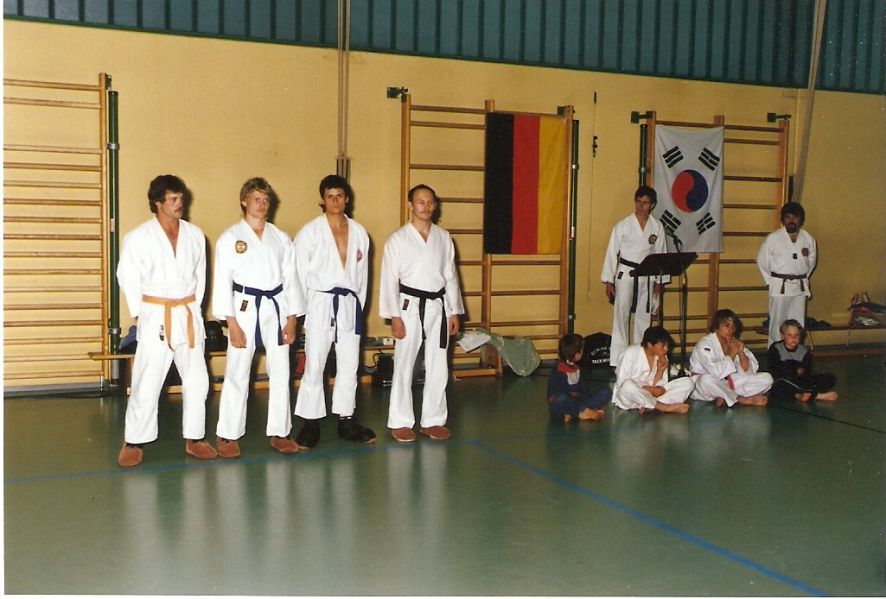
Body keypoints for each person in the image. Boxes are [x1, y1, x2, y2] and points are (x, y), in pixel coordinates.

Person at [115, 175, 216, 467]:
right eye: (172, 199)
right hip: (156, 313)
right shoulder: (138, 237)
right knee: (147, 379)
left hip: (187, 312)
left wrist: (194, 308)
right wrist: (142, 312)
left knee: (197, 379)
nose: (179, 203)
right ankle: (133, 440)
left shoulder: (195, 235)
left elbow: (200, 276)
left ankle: (195, 437)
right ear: (157, 202)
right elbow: (127, 276)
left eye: (181, 198)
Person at [213, 177, 303, 457]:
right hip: (244, 307)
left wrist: (292, 318)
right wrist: (230, 323)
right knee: (238, 369)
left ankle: (280, 431)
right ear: (244, 201)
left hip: (276, 306)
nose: (262, 204)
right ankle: (228, 434)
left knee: (282, 369)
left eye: (266, 200)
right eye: (256, 199)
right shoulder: (230, 237)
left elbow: (292, 279)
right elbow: (222, 281)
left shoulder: (281, 238)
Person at [292, 175, 376, 448]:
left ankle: (346, 420)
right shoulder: (310, 232)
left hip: (349, 304)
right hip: (319, 302)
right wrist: (300, 312)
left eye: (339, 195)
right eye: (330, 196)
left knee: (350, 364)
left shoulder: (360, 233)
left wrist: (358, 308)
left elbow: (362, 276)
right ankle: (311, 422)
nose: (335, 200)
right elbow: (298, 275)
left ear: (347, 198)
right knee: (315, 363)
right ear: (322, 200)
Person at [379, 184, 464, 443]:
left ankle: (433, 420)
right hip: (408, 306)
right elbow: (389, 280)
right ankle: (400, 421)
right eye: (420, 202)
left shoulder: (443, 237)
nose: (425, 207)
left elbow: (450, 277)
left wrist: (454, 311)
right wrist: (394, 316)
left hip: (438, 306)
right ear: (410, 205)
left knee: (439, 364)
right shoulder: (398, 239)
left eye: (430, 202)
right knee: (405, 363)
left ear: (435, 206)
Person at [601, 185, 669, 367]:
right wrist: (608, 281)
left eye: (645, 203)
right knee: (621, 317)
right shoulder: (623, 225)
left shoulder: (657, 226)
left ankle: (642, 360)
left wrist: (660, 281)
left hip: (647, 275)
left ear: (652, 205)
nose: (640, 206)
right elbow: (611, 252)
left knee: (643, 318)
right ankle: (618, 361)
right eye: (638, 202)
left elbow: (661, 254)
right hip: (626, 273)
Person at [756, 201, 817, 346]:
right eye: (788, 217)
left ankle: (795, 355)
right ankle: (776, 354)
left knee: (798, 325)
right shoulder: (773, 238)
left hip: (799, 287)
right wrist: (770, 282)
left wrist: (802, 277)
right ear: (783, 219)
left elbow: (811, 262)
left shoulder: (808, 239)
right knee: (777, 324)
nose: (791, 220)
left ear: (801, 219)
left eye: (795, 217)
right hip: (780, 287)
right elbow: (762, 261)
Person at [689, 309, 771, 407]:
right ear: (716, 326)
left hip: (729, 383)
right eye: (726, 326)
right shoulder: (705, 344)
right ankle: (739, 399)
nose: (730, 330)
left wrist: (740, 353)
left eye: (733, 327)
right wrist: (732, 354)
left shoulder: (734, 342)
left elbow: (749, 372)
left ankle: (725, 397)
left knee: (767, 378)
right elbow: (715, 373)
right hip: (707, 385)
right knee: (706, 380)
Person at [613, 326, 692, 414]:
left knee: (688, 382)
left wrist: (660, 371)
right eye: (663, 346)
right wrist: (650, 390)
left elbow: (659, 388)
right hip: (631, 399)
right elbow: (621, 383)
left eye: (667, 346)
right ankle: (663, 407)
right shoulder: (629, 353)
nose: (666, 349)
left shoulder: (662, 357)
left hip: (652, 397)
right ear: (650, 345)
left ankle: (651, 406)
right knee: (627, 386)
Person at [768, 319, 838, 402]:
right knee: (779, 386)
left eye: (796, 335)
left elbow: (805, 372)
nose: (793, 338)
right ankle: (814, 395)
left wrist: (794, 370)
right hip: (783, 380)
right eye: (789, 335)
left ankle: (802, 394)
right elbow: (776, 370)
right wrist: (793, 367)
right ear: (782, 336)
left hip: (800, 381)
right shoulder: (775, 348)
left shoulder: (804, 351)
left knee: (828, 378)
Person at [546, 334, 611, 423]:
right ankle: (582, 412)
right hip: (563, 404)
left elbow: (585, 391)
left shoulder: (577, 368)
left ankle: (577, 413)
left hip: (578, 402)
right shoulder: (558, 370)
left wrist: (596, 404)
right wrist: (582, 407)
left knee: (605, 391)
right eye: (582, 350)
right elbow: (554, 397)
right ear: (576, 355)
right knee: (561, 399)